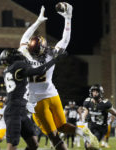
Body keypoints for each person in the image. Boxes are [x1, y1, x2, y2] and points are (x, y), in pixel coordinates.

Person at [18, 3, 99, 150]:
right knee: (62, 126)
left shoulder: (25, 54)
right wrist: (68, 18)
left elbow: (24, 37)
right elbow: (65, 39)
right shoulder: (50, 54)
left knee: (54, 137)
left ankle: (82, 135)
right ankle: (84, 133)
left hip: (37, 101)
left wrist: (38, 21)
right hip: (52, 94)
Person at [0, 46, 66, 150]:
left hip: (20, 110)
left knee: (34, 144)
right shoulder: (18, 65)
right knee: (12, 145)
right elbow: (40, 71)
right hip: (14, 111)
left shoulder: (8, 70)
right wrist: (55, 60)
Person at [83, 84, 116, 149]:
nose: (94, 93)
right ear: (91, 92)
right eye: (93, 91)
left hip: (101, 128)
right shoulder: (87, 102)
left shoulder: (105, 104)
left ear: (100, 92)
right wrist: (86, 117)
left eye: (96, 91)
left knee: (91, 145)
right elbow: (85, 114)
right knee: (87, 147)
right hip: (91, 127)